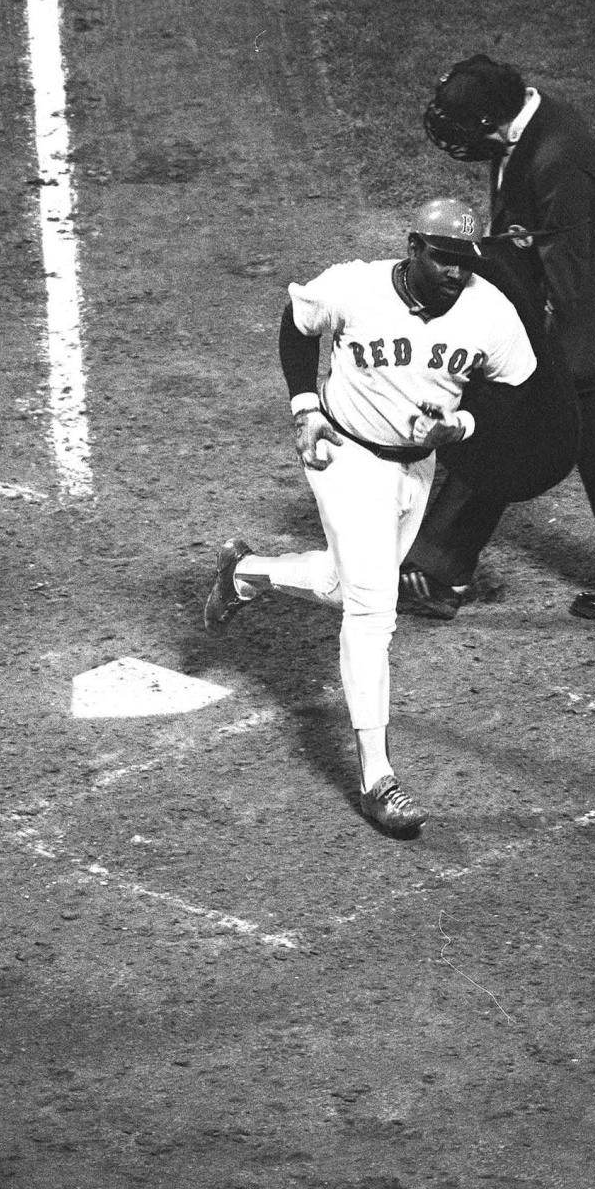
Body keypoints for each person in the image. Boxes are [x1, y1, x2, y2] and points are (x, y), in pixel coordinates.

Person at [203, 199, 537, 837]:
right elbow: (298, 324)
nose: (454, 273)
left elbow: (516, 395)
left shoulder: (492, 313)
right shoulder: (353, 285)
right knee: (373, 607)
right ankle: (376, 777)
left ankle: (247, 572)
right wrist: (305, 408)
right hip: (344, 454)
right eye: (441, 258)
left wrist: (461, 424)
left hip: (415, 470)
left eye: (465, 262)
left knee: (340, 584)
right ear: (414, 247)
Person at [398, 53, 595, 621]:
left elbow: (565, 267)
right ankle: (438, 566)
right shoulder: (520, 132)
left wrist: (518, 338)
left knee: (535, 428)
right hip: (541, 310)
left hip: (566, 322)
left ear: (497, 117)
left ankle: (439, 566)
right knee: (557, 437)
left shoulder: (559, 157)